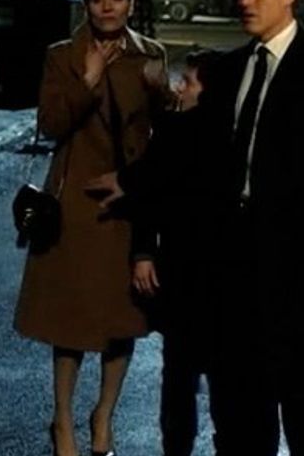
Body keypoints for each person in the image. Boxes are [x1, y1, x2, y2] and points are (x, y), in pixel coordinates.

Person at [88, 0, 304, 456]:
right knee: (243, 404)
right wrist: (132, 181)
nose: (244, 1)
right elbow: (189, 149)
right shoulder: (229, 71)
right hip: (235, 267)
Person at [13, 0, 169, 456]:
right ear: (86, 5)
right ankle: (62, 422)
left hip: (128, 203)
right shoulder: (63, 55)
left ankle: (104, 415)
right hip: (76, 204)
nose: (107, 7)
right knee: (71, 320)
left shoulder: (151, 54)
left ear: (130, 4)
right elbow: (51, 124)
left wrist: (162, 92)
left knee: (123, 318)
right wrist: (88, 80)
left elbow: (166, 133)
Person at [129, 49, 222, 456]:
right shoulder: (173, 131)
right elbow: (148, 196)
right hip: (181, 273)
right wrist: (144, 252)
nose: (180, 89)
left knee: (218, 380)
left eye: (189, 82)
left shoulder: (224, 136)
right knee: (179, 376)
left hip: (221, 278)